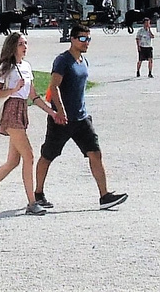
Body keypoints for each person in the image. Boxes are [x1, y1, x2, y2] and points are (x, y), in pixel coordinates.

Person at [34, 27, 126, 211]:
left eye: (88, 39)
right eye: (82, 38)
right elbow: (54, 87)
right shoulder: (62, 61)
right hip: (63, 120)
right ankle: (38, 193)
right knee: (48, 155)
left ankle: (104, 196)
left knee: (95, 153)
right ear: (72, 39)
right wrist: (59, 111)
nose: (86, 42)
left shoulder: (84, 61)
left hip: (82, 118)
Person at [0, 32, 44, 215]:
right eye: (21, 44)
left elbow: (33, 94)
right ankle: (32, 202)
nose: (25, 47)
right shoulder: (6, 68)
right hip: (12, 111)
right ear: (13, 46)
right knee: (29, 156)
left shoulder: (27, 67)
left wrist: (52, 112)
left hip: (22, 109)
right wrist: (13, 89)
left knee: (13, 161)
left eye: (26, 43)